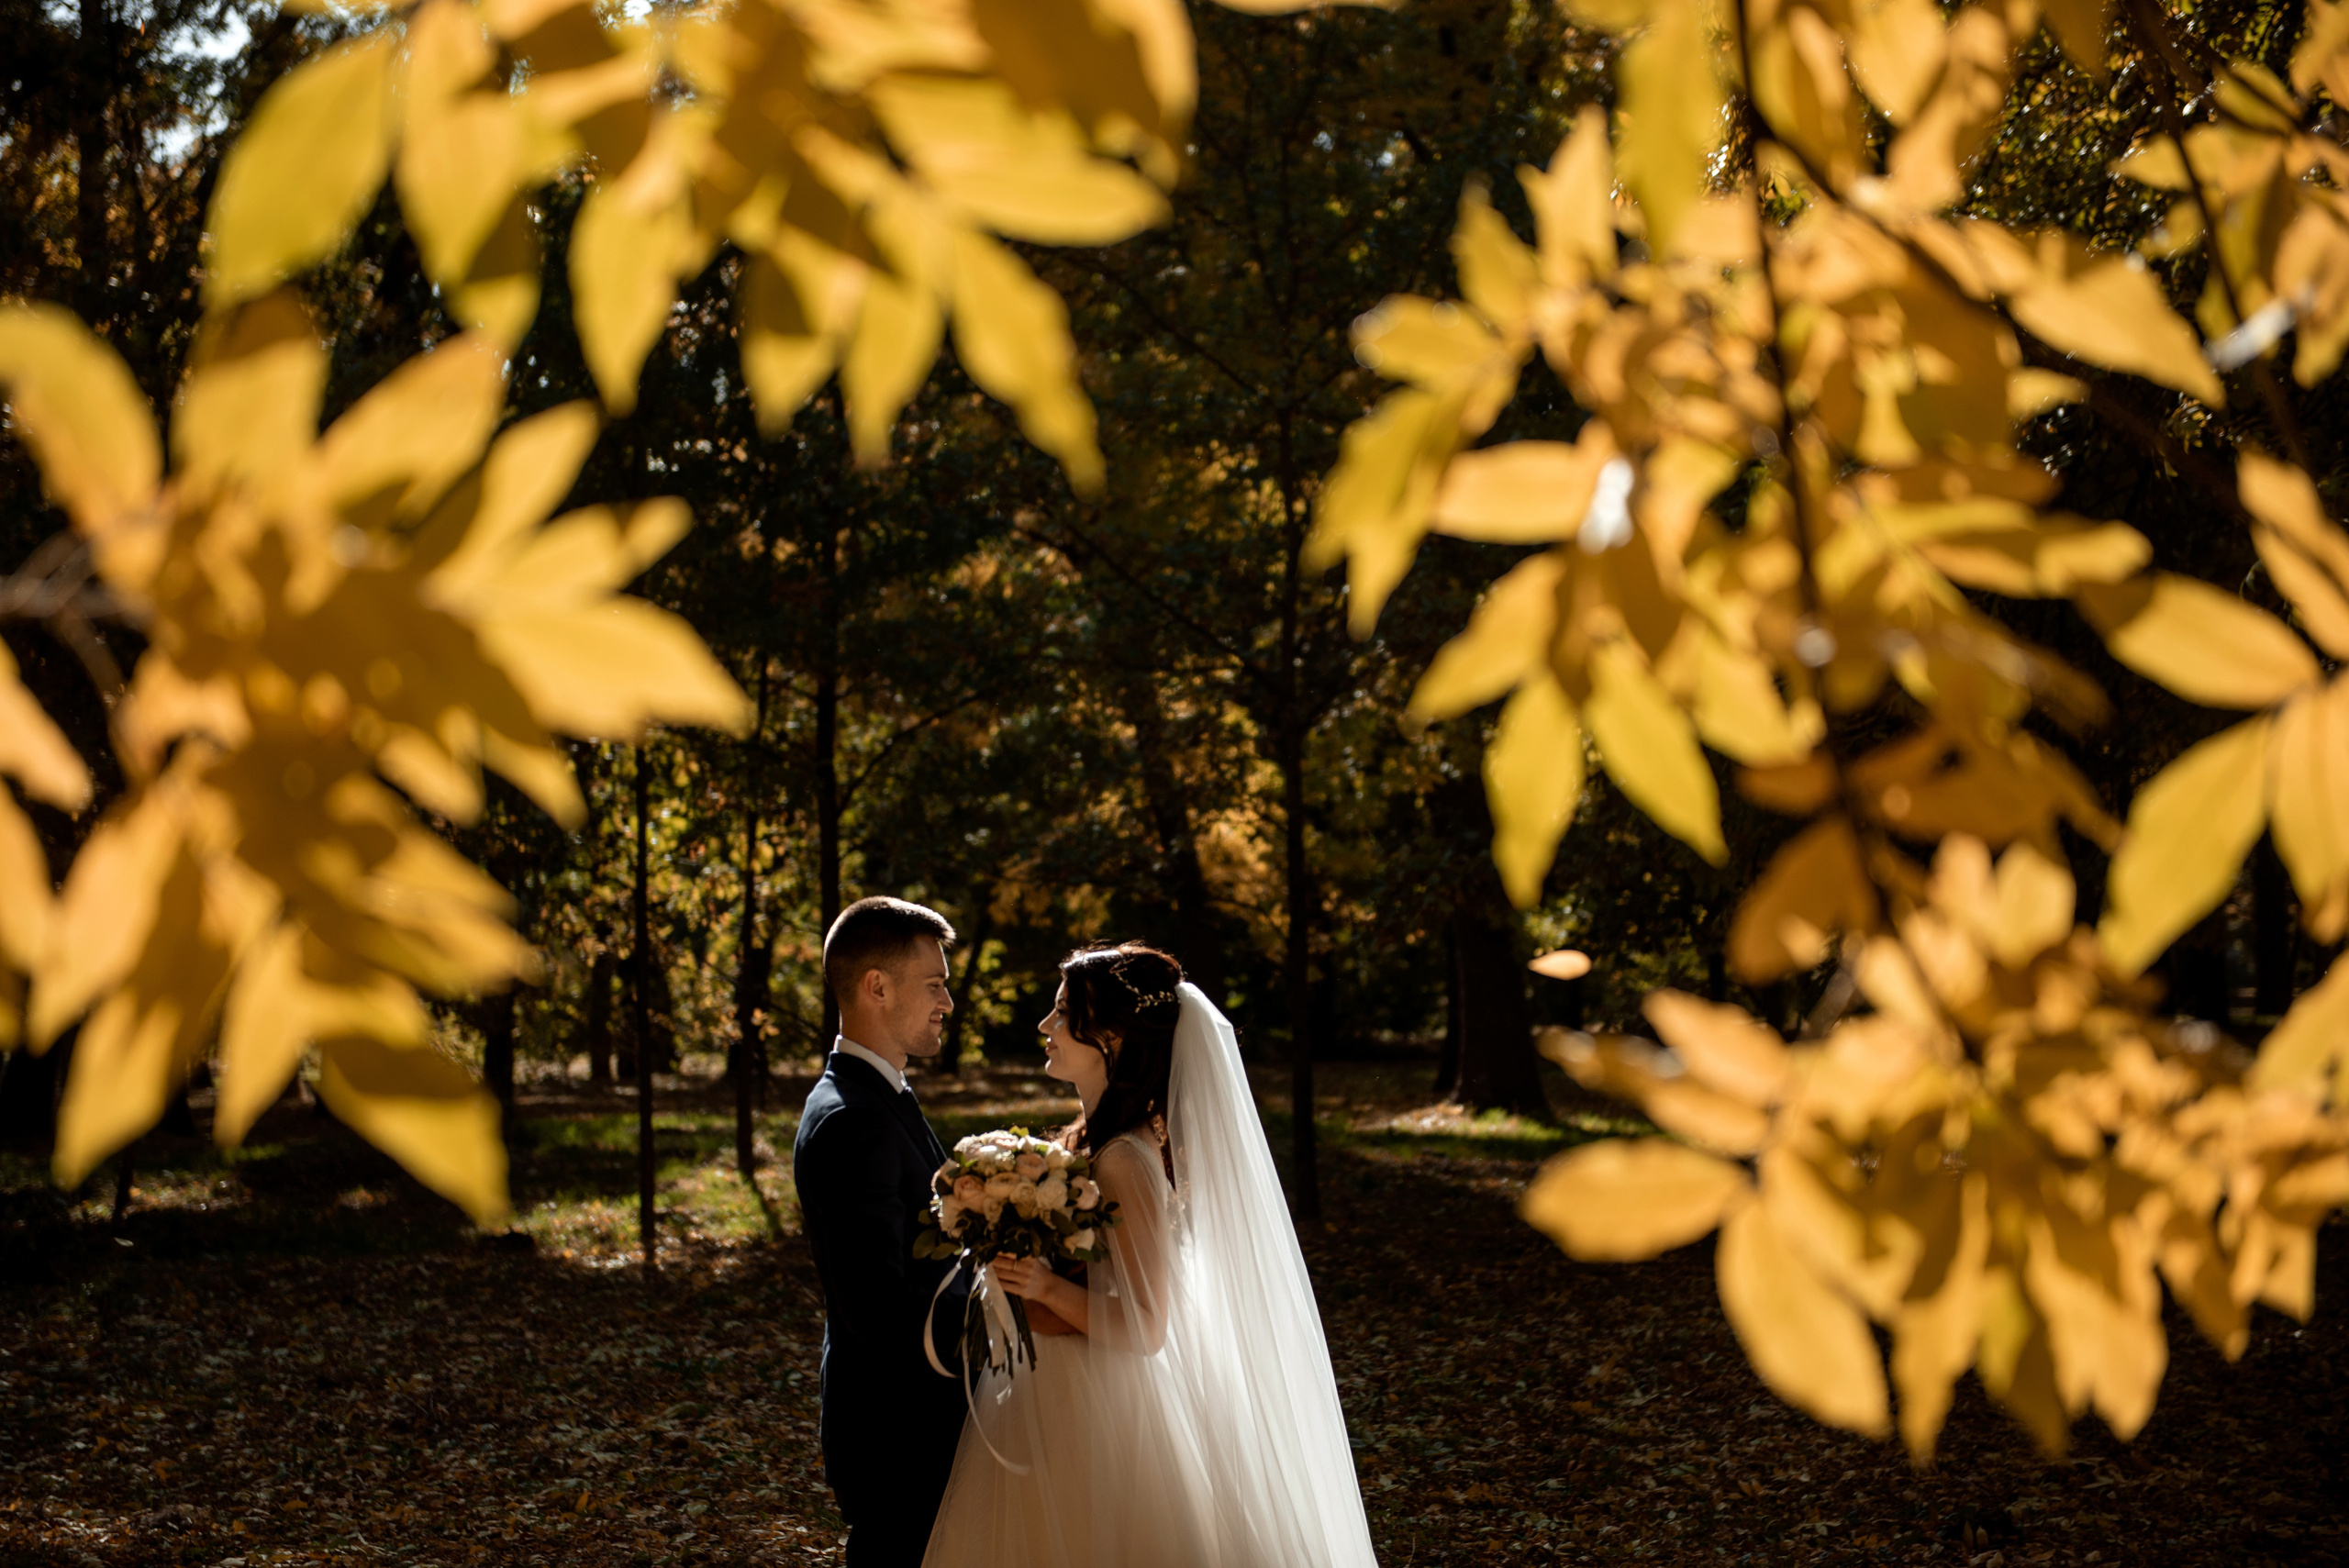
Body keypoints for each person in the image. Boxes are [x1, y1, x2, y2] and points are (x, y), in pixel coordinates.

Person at [922, 943, 1380, 1568]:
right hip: (1053, 1388)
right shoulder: (1091, 1142)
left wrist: (1045, 1287)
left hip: (1104, 1408)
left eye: (1062, 1013)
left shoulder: (1123, 1159)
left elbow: (1147, 1324)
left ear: (1109, 1034)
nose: (1045, 1027)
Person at [793, 896, 971, 1568]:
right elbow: (878, 1309)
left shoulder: (879, 1094)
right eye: (935, 983)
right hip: (898, 1434)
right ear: (876, 986)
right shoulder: (852, 1120)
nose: (947, 1001)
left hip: (913, 1423)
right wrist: (1008, 1316)